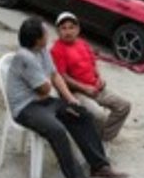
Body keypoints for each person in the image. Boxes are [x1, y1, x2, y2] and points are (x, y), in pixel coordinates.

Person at [5, 17, 127, 178]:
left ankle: (99, 167)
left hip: (44, 101)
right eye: (45, 32)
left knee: (81, 114)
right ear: (37, 39)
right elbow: (45, 88)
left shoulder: (42, 50)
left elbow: (54, 75)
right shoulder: (25, 57)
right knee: (57, 131)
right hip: (26, 107)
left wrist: (70, 99)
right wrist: (46, 82)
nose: (48, 34)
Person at [50, 11, 131, 141]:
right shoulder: (57, 49)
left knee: (124, 106)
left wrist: (99, 78)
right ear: (58, 31)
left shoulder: (83, 43)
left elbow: (93, 64)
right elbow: (62, 76)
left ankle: (103, 138)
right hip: (76, 92)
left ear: (78, 29)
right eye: (63, 28)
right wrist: (84, 88)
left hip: (95, 87)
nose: (68, 31)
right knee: (99, 115)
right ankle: (96, 141)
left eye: (71, 27)